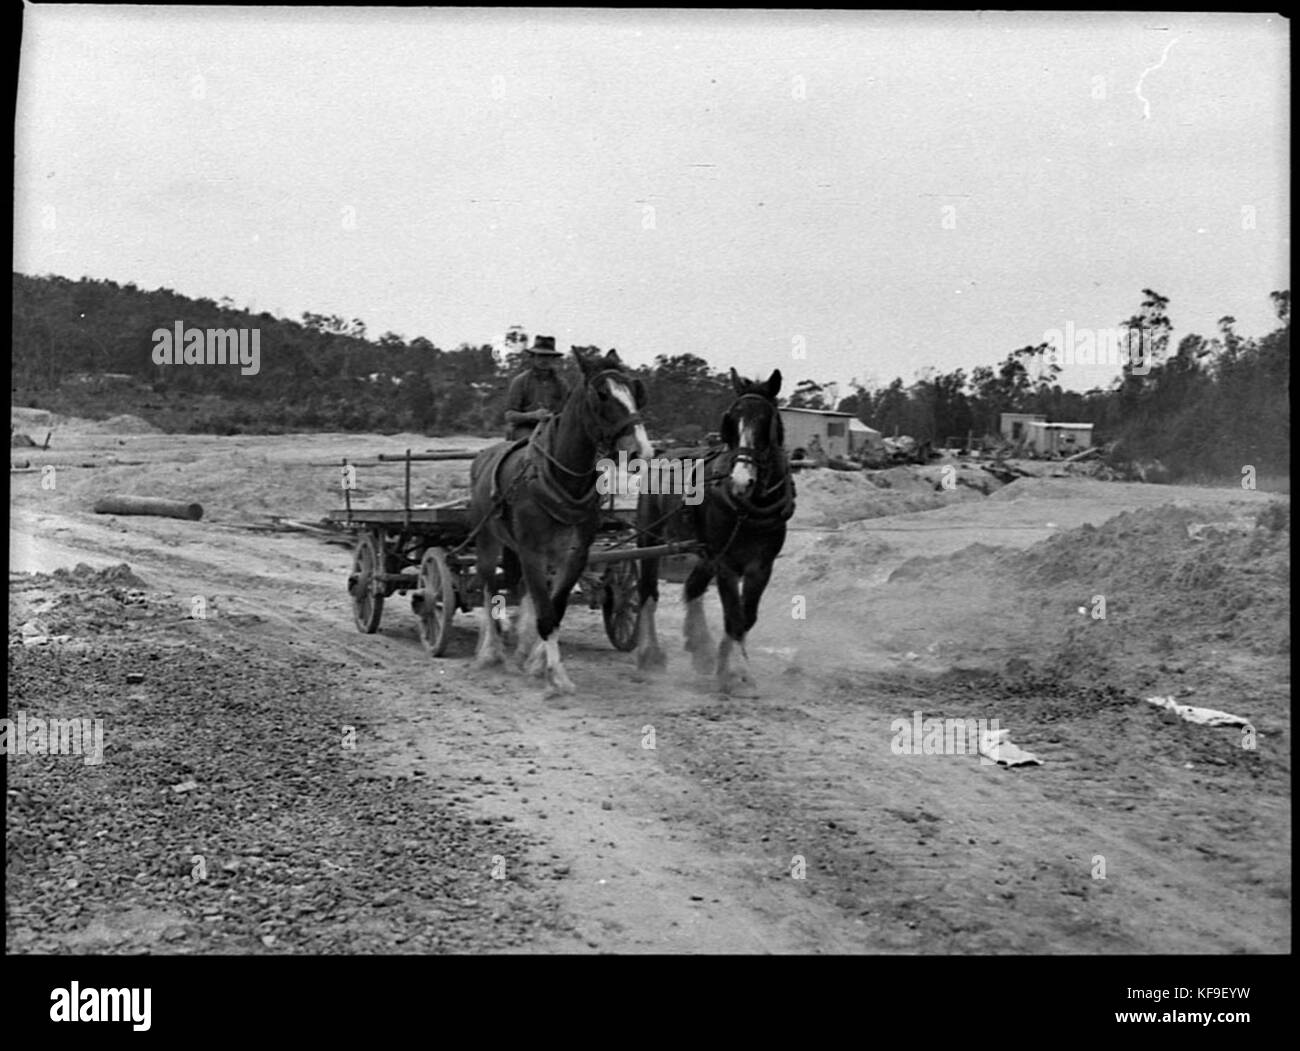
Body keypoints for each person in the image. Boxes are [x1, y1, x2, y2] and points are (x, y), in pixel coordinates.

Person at [504, 335, 569, 441]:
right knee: (532, 445)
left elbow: (567, 411)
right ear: (533, 358)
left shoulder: (562, 384)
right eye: (540, 356)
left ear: (553, 359)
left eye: (548, 357)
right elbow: (509, 415)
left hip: (554, 429)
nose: (544, 360)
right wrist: (533, 415)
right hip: (525, 428)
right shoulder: (520, 381)